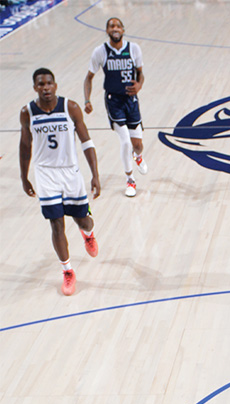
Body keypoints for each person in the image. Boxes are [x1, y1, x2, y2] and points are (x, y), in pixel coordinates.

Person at [20, 68, 101, 297]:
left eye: (49, 83)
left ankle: (88, 234)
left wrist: (95, 174)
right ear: (35, 87)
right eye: (40, 84)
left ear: (55, 85)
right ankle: (67, 271)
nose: (45, 88)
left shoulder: (71, 107)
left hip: (70, 172)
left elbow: (86, 141)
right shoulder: (27, 112)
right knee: (56, 223)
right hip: (45, 174)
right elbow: (25, 145)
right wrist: (23, 176)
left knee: (82, 220)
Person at [84, 17, 147, 198]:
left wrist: (139, 85)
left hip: (131, 101)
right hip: (114, 101)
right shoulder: (100, 52)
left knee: (137, 145)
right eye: (111, 26)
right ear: (107, 31)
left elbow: (141, 73)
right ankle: (130, 180)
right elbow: (88, 78)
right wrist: (87, 100)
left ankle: (138, 156)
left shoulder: (134, 48)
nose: (115, 28)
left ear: (123, 30)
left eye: (118, 25)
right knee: (125, 141)